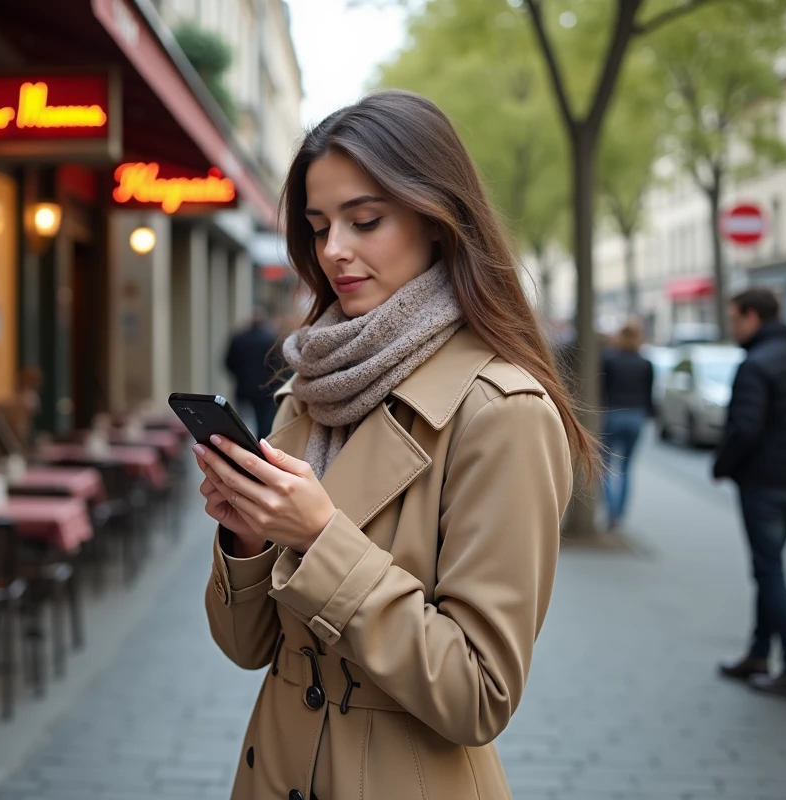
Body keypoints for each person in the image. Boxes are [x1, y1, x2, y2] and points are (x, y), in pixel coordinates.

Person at [193, 90, 592, 800]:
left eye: (365, 220)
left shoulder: (502, 412)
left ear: (439, 219)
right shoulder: (310, 391)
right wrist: (247, 538)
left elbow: (480, 694)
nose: (334, 250)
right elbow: (246, 647)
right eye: (318, 227)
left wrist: (319, 538)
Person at [714, 288, 786, 701]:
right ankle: (758, 655)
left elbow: (745, 428)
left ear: (753, 317)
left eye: (735, 317)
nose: (732, 325)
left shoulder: (755, 365)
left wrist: (722, 466)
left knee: (769, 572)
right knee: (768, 568)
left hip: (763, 486)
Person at [600, 321, 655, 531]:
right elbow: (649, 396)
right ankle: (619, 514)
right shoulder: (645, 363)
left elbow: (602, 389)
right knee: (626, 468)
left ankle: (610, 510)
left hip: (612, 414)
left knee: (605, 466)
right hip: (636, 416)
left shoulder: (610, 360)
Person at [224, 307, 281, 439]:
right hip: (264, 390)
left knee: (241, 423)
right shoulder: (270, 339)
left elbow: (228, 362)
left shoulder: (238, 338)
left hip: (243, 390)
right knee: (263, 426)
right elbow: (277, 366)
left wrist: (239, 376)